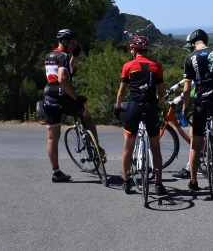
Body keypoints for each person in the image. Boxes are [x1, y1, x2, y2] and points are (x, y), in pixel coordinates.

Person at [43, 28, 101, 183]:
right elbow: (63, 79)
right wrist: (76, 98)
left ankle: (56, 172)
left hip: (48, 98)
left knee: (52, 137)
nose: (74, 45)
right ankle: (97, 149)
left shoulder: (50, 56)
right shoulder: (62, 56)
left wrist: (74, 57)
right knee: (86, 115)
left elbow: (65, 71)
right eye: (72, 42)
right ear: (64, 41)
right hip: (63, 98)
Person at [180, 28, 213, 191]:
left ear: (193, 43)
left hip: (200, 101)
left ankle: (193, 182)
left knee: (196, 143)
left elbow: (186, 88)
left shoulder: (190, 58)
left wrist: (186, 106)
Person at [115, 35, 167, 195]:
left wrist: (117, 107)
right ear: (147, 50)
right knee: (156, 148)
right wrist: (155, 104)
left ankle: (126, 181)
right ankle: (158, 184)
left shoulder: (128, 65)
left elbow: (122, 92)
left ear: (134, 50)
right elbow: (162, 93)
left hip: (134, 106)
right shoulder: (156, 66)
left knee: (127, 148)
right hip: (150, 106)